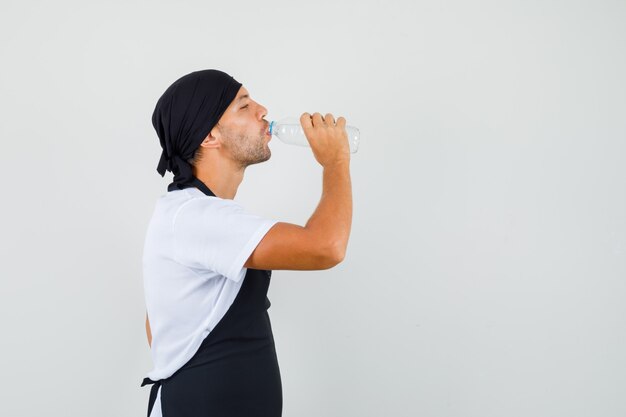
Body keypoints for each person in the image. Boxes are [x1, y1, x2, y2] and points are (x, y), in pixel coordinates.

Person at [140, 69, 352, 417]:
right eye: (244, 106)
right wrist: (336, 161)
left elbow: (159, 326)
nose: (262, 110)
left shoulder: (191, 215)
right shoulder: (194, 216)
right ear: (209, 135)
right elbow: (326, 246)